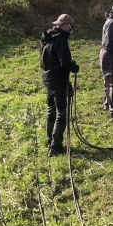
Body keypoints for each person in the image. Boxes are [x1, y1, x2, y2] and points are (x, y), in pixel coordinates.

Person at [40, 13, 79, 156]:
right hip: (58, 81)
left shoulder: (46, 38)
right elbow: (65, 63)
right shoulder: (61, 40)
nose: (71, 29)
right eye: (70, 26)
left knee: (51, 110)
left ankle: (49, 139)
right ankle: (56, 146)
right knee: (61, 112)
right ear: (64, 26)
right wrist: (74, 67)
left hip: (48, 79)